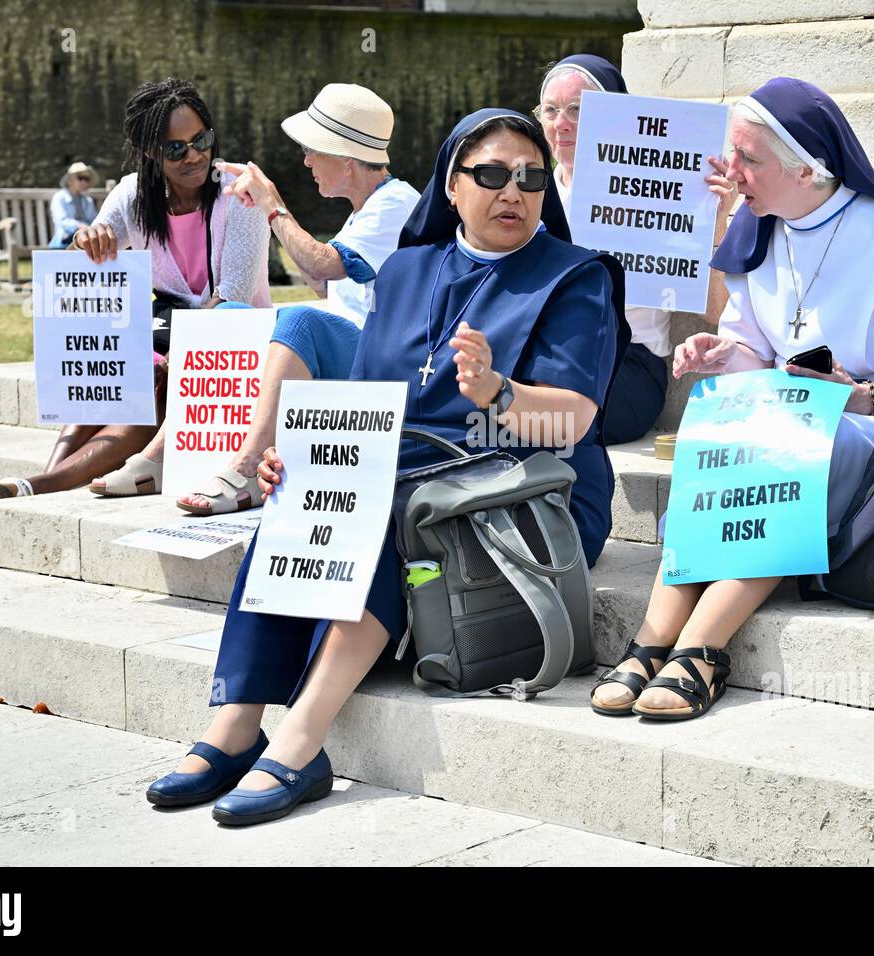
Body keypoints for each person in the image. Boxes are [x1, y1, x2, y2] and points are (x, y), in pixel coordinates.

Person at [145, 108, 628, 825]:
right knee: (314, 493)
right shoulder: (406, 270)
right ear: (452, 186)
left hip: (523, 492)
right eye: (491, 175)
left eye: (529, 179)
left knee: (387, 512)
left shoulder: (576, 276)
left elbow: (574, 422)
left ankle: (304, 737)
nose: (514, 192)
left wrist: (498, 391)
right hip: (408, 476)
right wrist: (301, 457)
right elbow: (366, 406)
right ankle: (236, 723)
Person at [589, 77, 874, 720]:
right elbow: (753, 353)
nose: (729, 174)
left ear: (807, 168)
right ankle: (654, 644)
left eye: (748, 159)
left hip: (869, 430)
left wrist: (859, 395)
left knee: (783, 452)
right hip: (784, 421)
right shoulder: (761, 234)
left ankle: (700, 647)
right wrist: (714, 353)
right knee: (722, 438)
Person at [0, 78, 269, 501]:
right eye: (176, 149)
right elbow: (84, 271)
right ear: (151, 153)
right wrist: (87, 242)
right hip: (167, 326)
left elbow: (234, 294)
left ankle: (46, 483)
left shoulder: (238, 192)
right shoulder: (133, 194)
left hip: (235, 335)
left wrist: (182, 355)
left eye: (202, 140)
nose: (194, 155)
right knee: (116, 366)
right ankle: (48, 475)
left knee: (149, 381)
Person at [176, 84, 421, 516]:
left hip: (379, 366)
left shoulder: (397, 204)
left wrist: (273, 206)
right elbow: (324, 284)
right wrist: (269, 208)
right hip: (349, 349)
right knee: (228, 316)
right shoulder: (366, 209)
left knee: (302, 322)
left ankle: (248, 465)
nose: (306, 160)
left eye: (312, 151)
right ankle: (172, 454)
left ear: (345, 160)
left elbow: (324, 267)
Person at [536, 54, 736, 444]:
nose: (561, 124)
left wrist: (715, 223)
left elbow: (719, 313)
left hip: (625, 364)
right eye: (551, 110)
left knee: (543, 423)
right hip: (548, 356)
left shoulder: (660, 189)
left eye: (577, 109)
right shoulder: (531, 192)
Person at [48, 162, 99, 249]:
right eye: (80, 178)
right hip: (64, 242)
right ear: (70, 180)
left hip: (86, 240)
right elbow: (62, 222)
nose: (84, 181)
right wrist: (81, 226)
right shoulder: (60, 197)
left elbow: (94, 220)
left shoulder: (87, 200)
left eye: (87, 179)